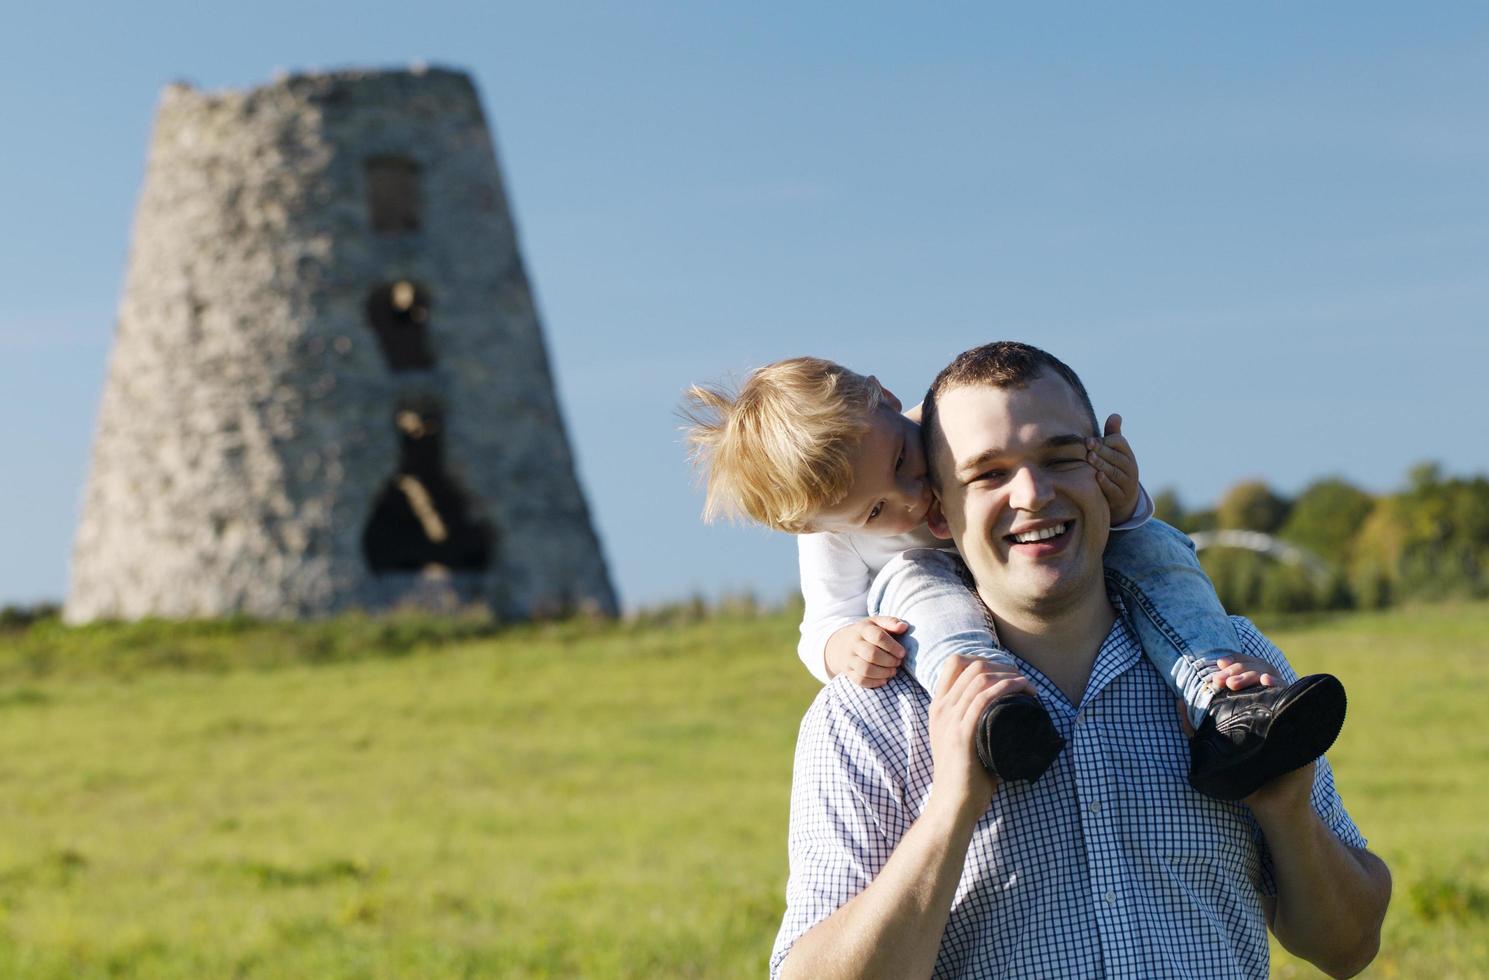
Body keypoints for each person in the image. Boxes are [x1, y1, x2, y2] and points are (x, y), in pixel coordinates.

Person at [769, 341, 1390, 978]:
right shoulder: (868, 714)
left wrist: (1288, 811)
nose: (1033, 494)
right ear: (938, 510)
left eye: (1063, 457)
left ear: (1109, 464)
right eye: (988, 474)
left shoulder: (1240, 674)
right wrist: (950, 810)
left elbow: (1348, 948)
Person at [684, 357, 1344, 799]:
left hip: (1064, 566)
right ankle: (995, 717)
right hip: (949, 612)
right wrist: (840, 647)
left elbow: (1056, 490)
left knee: (1156, 552)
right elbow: (820, 624)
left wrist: (1120, 499)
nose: (914, 497)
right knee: (918, 584)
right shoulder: (831, 534)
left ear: (888, 401)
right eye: (877, 510)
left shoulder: (955, 423)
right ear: (818, 527)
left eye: (904, 461)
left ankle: (1219, 694)